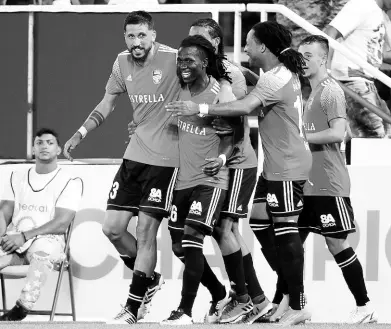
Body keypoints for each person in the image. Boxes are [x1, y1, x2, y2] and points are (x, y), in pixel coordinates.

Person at [63, 11, 234, 324]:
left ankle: (132, 307)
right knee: (111, 228)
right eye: (130, 36)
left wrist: (223, 92)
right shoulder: (121, 63)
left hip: (167, 163)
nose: (136, 42)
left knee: (145, 233)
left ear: (154, 35)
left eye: (142, 35)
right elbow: (107, 103)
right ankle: (150, 279)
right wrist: (80, 133)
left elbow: (209, 75)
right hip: (134, 157)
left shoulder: (174, 59)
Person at [166, 20, 313, 326]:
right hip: (270, 164)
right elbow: (256, 92)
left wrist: (201, 110)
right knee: (259, 223)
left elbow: (244, 107)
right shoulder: (266, 74)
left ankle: (282, 302)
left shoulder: (248, 75)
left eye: (249, 41)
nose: (244, 47)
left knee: (235, 229)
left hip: (251, 161)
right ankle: (272, 297)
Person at [297, 35, 377, 324]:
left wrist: (300, 139)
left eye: (308, 55)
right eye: (300, 55)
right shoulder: (313, 92)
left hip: (328, 182)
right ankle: (296, 305)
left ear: (323, 58)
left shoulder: (330, 90)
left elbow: (338, 132)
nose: (302, 60)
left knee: (337, 244)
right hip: (308, 182)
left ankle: (364, 306)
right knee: (291, 242)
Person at [161, 35, 234, 325]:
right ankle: (219, 292)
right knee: (178, 246)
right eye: (180, 60)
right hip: (183, 181)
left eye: (189, 60)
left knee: (192, 239)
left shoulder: (219, 95)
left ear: (204, 63)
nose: (182, 66)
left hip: (210, 180)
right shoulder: (178, 89)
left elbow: (232, 136)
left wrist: (221, 159)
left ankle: (185, 311)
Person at [0, 128, 83, 321]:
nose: (44, 146)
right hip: (15, 241)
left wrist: (25, 236)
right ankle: (15, 258)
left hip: (48, 241)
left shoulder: (70, 180)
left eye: (50, 142)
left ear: (58, 149)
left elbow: (61, 223)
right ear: (33, 149)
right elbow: (4, 214)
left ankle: (21, 307)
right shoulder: (16, 176)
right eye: (39, 143)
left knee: (43, 250)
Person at [324, 0, 391, 162]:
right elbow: (330, 33)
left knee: (384, 131)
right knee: (372, 137)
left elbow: (379, 54)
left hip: (367, 81)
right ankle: (367, 184)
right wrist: (324, 71)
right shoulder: (361, 5)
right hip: (351, 80)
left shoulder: (380, 14)